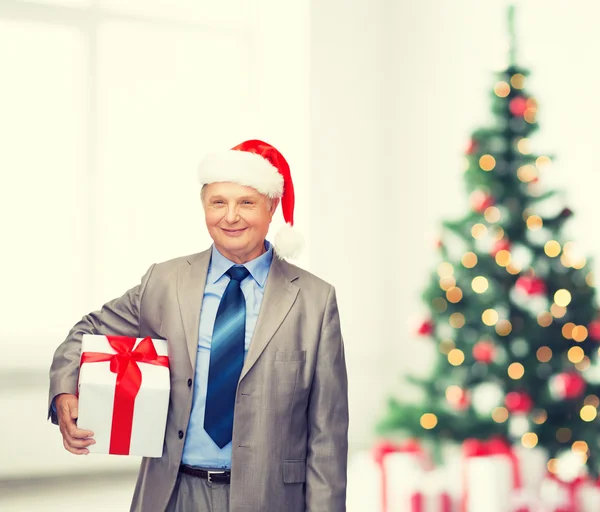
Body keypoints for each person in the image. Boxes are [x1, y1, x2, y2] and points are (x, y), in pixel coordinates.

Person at [48, 139, 349, 512]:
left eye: (247, 203)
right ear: (204, 206)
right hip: (172, 492)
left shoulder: (315, 301)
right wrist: (64, 390)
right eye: (218, 202)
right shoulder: (166, 281)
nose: (231, 216)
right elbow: (86, 332)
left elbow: (328, 439)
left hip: (269, 499)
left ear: (272, 207)